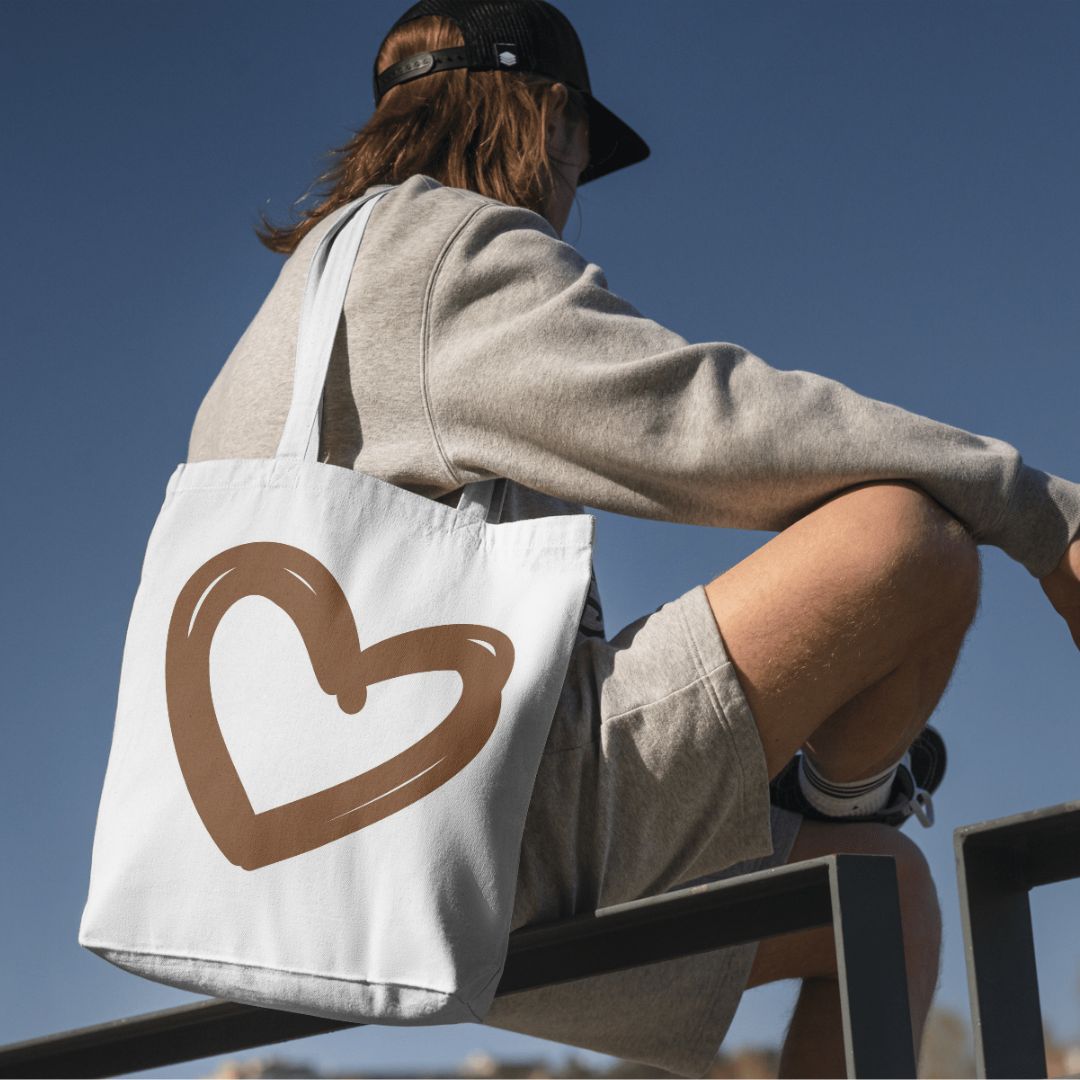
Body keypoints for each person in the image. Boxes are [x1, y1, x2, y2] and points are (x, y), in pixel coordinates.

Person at [188, 1, 1080, 1075]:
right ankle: (846, 790)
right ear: (550, 120)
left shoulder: (277, 323)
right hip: (486, 832)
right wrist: (1042, 514)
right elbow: (706, 422)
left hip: (311, 869)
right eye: (579, 158)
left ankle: (849, 805)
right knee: (911, 539)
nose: (571, 197)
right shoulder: (445, 253)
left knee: (889, 894)